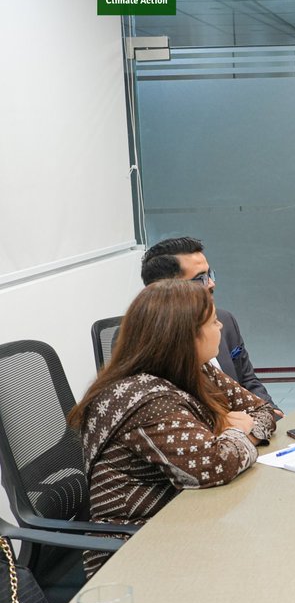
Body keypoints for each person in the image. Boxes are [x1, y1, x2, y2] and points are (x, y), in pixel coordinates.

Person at [67, 280, 278, 577]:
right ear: (186, 335)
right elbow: (217, 463)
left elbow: (265, 410)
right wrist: (236, 431)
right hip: (135, 550)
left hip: (188, 521)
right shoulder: (142, 397)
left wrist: (245, 429)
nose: (220, 327)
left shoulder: (195, 369)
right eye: (213, 321)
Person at [141, 236, 282, 416]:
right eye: (200, 278)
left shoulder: (224, 320)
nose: (211, 284)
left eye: (209, 274)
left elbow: (247, 380)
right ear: (166, 289)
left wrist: (271, 411)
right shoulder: (152, 348)